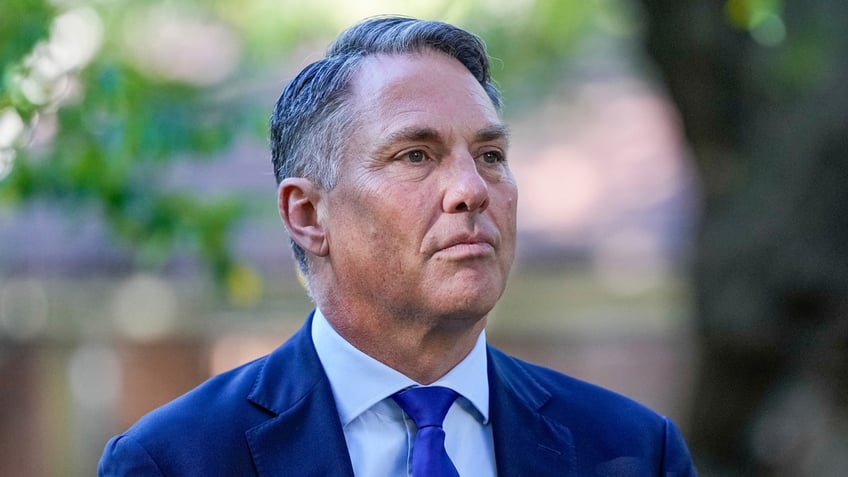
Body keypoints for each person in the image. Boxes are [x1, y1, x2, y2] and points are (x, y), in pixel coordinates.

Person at [98, 15, 697, 476]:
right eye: (416, 155)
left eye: (490, 156)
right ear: (308, 215)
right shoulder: (175, 460)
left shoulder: (634, 451)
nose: (471, 190)